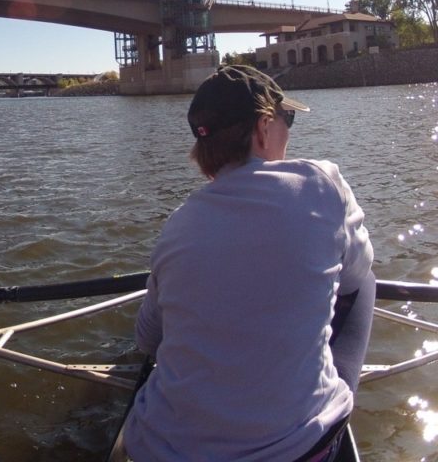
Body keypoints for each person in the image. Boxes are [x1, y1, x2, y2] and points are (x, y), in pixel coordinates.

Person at [122, 65, 375, 461]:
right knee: (366, 281)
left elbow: (147, 339)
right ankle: (334, 397)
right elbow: (355, 276)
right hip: (296, 450)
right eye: (286, 119)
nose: (290, 132)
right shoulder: (323, 186)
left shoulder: (178, 225)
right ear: (263, 128)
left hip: (162, 450)